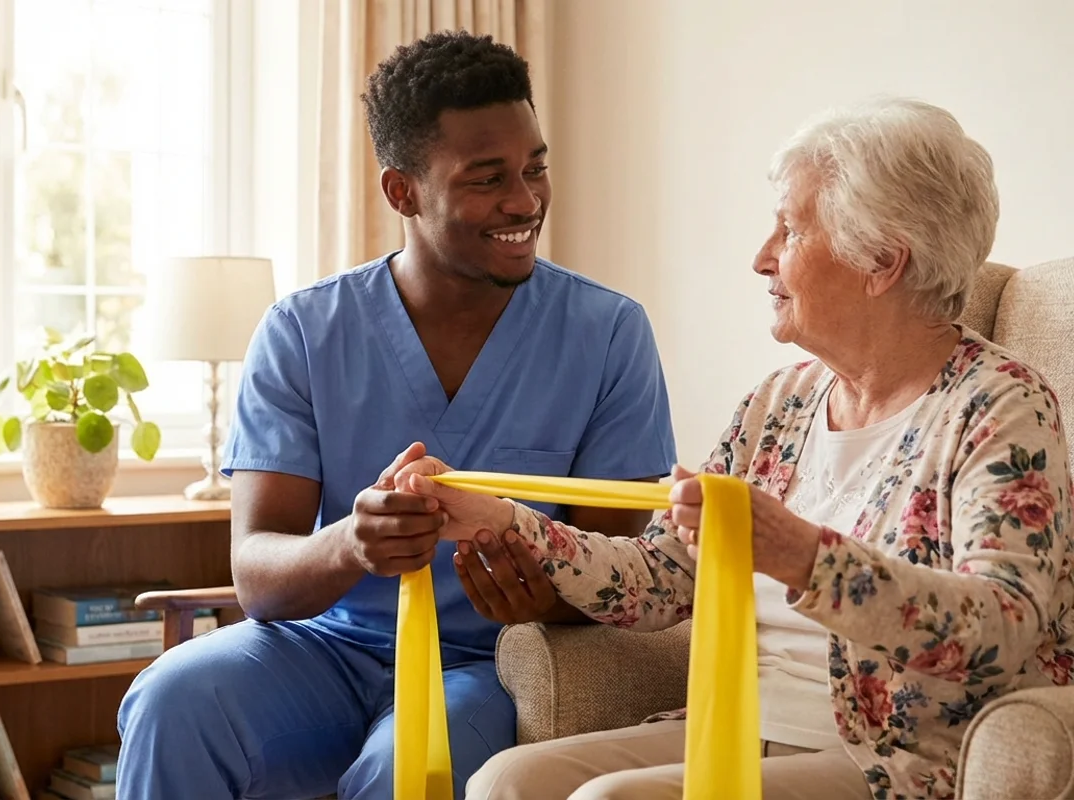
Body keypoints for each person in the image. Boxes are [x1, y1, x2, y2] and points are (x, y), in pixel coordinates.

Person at [393, 97, 1074, 800]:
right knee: (508, 780)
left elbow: (1003, 628)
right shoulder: (779, 404)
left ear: (881, 261)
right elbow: (662, 577)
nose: (762, 257)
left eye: (790, 229)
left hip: (889, 754)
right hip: (735, 722)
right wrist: (499, 518)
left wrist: (801, 554)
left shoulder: (1000, 405)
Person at [114, 30, 676, 800]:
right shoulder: (304, 331)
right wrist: (353, 542)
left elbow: (615, 578)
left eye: (535, 167)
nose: (525, 200)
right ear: (401, 192)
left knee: (403, 768)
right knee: (171, 697)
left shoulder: (608, 333)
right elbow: (258, 578)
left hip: (485, 664)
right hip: (324, 648)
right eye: (487, 179)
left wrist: (539, 590)